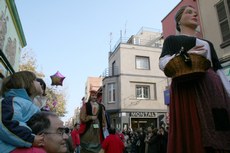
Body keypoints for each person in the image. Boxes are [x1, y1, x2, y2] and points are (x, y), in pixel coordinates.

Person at [159, 5, 230, 153]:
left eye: (196, 13)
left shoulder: (208, 43)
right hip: (187, 87)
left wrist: (227, 92)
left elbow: (219, 70)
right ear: (178, 20)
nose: (194, 15)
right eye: (189, 12)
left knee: (220, 124)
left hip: (213, 88)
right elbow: (163, 62)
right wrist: (186, 55)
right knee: (195, 128)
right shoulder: (172, 40)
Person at [0, 71, 45, 153]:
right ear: (27, 84)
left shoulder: (30, 104)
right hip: (9, 147)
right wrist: (30, 139)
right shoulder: (12, 101)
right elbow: (7, 123)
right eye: (35, 80)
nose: (40, 83)